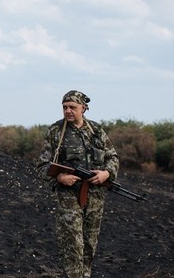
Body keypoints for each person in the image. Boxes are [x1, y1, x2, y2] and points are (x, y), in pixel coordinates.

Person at [36, 90, 119, 278]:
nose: (67, 111)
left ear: (83, 108)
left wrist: (107, 173)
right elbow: (42, 165)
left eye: (72, 107)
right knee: (73, 244)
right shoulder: (55, 131)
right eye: (64, 107)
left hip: (95, 196)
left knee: (89, 244)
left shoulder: (96, 131)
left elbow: (112, 157)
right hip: (68, 197)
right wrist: (59, 178)